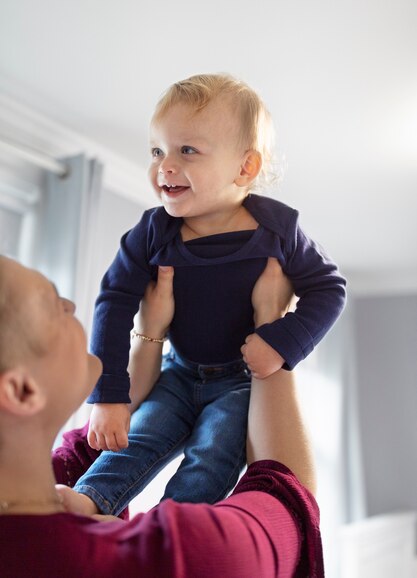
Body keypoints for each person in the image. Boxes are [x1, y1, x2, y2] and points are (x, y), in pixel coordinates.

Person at [60, 73, 346, 515]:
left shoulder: (278, 230)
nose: (164, 166)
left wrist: (282, 341)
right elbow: (113, 304)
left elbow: (329, 288)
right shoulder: (152, 232)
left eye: (187, 151)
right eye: (158, 151)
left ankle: (173, 525)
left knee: (212, 456)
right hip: (178, 371)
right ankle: (91, 500)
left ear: (244, 167)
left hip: (241, 380)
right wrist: (109, 395)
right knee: (140, 434)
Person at [0, 255, 324, 577]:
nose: (69, 305)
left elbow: (110, 438)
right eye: (51, 303)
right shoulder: (180, 555)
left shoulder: (55, 478)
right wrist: (272, 325)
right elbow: (289, 501)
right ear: (21, 391)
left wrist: (151, 331)